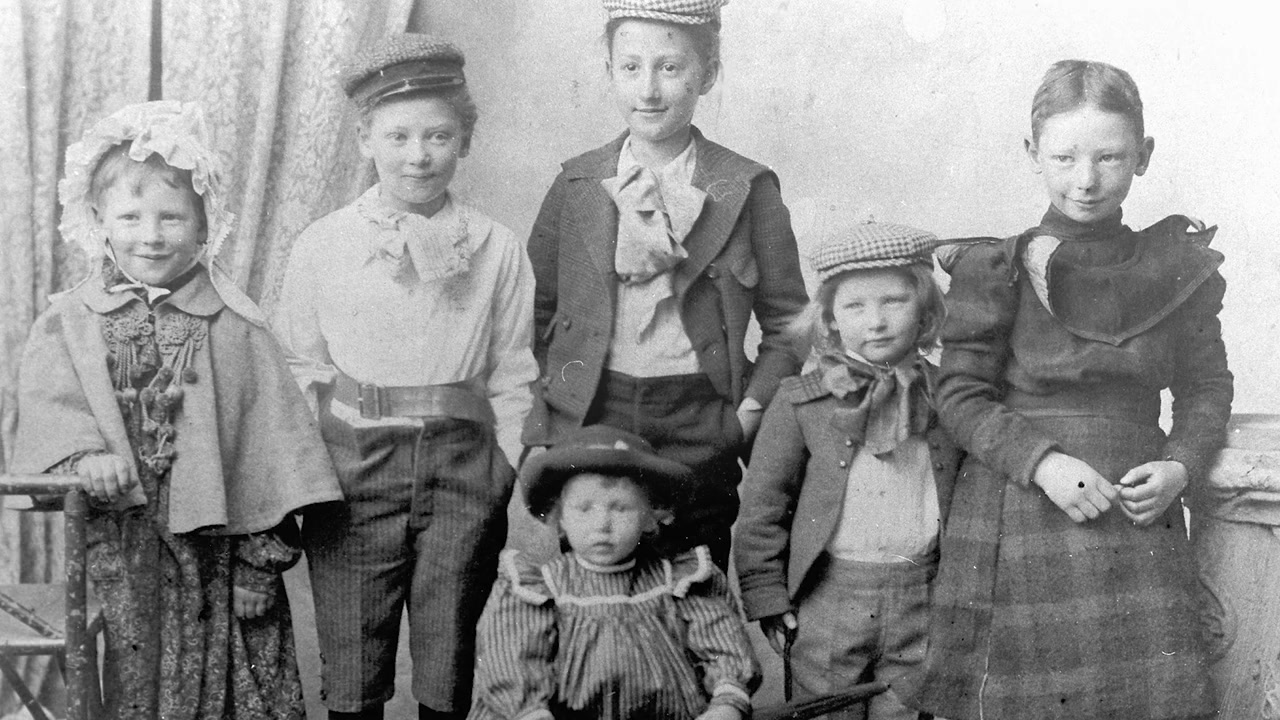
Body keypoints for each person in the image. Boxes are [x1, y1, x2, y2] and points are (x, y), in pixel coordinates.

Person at [899, 60, 1233, 720]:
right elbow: (960, 394)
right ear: (1033, 154)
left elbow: (1206, 386)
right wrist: (1043, 464)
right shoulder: (996, 268)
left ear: (1143, 156)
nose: (1086, 179)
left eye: (1110, 157)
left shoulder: (1176, 267)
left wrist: (1179, 466)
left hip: (1138, 513)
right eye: (1064, 157)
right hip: (1022, 504)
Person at [10, 100, 344, 720]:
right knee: (136, 678)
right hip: (125, 541)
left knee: (245, 678)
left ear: (202, 223)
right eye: (130, 217)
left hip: (225, 557)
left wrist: (261, 565)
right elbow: (53, 412)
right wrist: (85, 457)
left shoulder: (236, 326)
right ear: (99, 221)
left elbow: (273, 449)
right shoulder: (69, 323)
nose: (151, 235)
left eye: (171, 216)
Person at [273, 33, 537, 720]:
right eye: (398, 136)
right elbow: (299, 367)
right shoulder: (324, 244)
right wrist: (307, 477)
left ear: (464, 140)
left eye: (438, 136)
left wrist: (505, 471)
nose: (418, 155)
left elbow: (515, 372)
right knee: (353, 659)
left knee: (449, 658)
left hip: (462, 467)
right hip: (353, 470)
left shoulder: (496, 246)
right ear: (365, 138)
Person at [520, 0, 809, 568]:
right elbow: (532, 313)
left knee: (694, 582)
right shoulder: (577, 184)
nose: (648, 90)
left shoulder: (745, 188)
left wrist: (746, 416)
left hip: (699, 417)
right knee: (594, 584)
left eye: (670, 68)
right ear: (609, 71)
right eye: (631, 67)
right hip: (591, 411)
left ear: (709, 72)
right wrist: (549, 414)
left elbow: (791, 324)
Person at [734, 222, 963, 719]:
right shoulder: (800, 400)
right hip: (828, 598)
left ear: (926, 308)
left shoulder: (951, 396)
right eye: (855, 306)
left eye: (893, 302)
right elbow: (763, 508)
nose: (875, 322)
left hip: (924, 594)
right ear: (830, 318)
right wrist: (767, 598)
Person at [468, 424, 760, 720]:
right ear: (561, 517)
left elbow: (722, 642)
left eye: (620, 509)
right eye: (584, 509)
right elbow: (510, 658)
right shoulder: (539, 588)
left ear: (650, 516)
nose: (602, 525)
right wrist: (531, 713)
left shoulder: (679, 581)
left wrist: (726, 701)